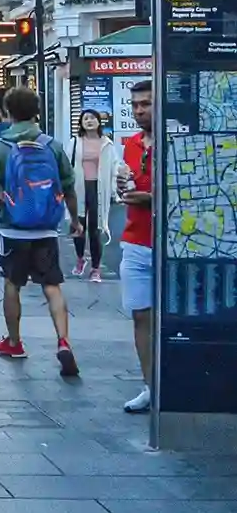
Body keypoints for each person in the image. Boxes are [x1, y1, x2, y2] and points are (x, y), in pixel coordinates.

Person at [0, 87, 82, 376]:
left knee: (12, 283)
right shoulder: (52, 145)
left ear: (8, 113)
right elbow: (68, 186)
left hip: (13, 228)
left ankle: (14, 341)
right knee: (52, 285)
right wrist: (75, 219)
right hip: (46, 228)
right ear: (36, 111)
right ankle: (63, 340)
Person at [117, 81, 154, 413]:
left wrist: (152, 200)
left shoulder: (177, 142)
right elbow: (127, 185)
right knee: (140, 315)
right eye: (136, 105)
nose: (140, 110)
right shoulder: (130, 144)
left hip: (170, 244)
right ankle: (150, 385)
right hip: (135, 240)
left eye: (146, 104)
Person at [71, 108, 117, 282]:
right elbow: (67, 165)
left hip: (99, 187)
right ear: (81, 123)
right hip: (79, 187)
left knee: (95, 229)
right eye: (85, 118)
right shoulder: (75, 142)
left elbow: (114, 166)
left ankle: (96, 269)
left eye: (92, 118)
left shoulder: (107, 143)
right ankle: (80, 258)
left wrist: (114, 188)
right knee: (78, 226)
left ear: (99, 121)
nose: (89, 121)